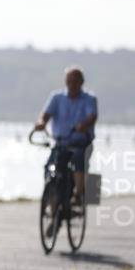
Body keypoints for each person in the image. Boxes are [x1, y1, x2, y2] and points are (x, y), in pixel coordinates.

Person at [34, 67, 98, 207]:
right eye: (69, 81)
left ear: (81, 82)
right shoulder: (57, 97)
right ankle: (53, 200)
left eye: (75, 81)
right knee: (50, 167)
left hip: (81, 143)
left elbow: (92, 116)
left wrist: (83, 125)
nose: (72, 85)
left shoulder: (89, 99)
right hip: (61, 143)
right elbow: (45, 114)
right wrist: (41, 123)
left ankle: (78, 194)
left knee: (78, 159)